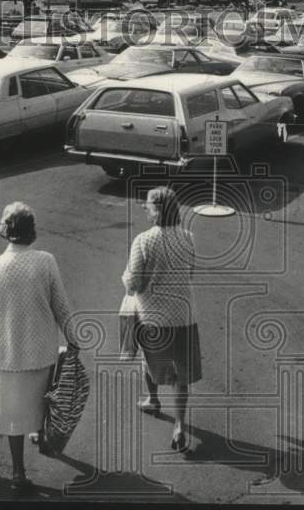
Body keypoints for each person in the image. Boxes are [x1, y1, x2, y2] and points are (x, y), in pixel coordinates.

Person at [0, 202, 78, 492]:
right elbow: (61, 305)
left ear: (4, 230)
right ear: (31, 230)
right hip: (42, 348)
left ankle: (17, 473)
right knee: (42, 399)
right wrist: (74, 339)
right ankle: (41, 435)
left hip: (9, 352)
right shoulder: (46, 260)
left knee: (12, 413)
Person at [123, 186, 202, 452]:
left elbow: (133, 282)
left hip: (152, 316)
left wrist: (127, 281)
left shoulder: (143, 241)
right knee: (181, 373)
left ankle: (153, 399)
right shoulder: (188, 237)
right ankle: (179, 424)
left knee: (149, 358)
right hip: (183, 314)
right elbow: (190, 273)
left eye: (148, 205)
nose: (145, 208)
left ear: (157, 210)